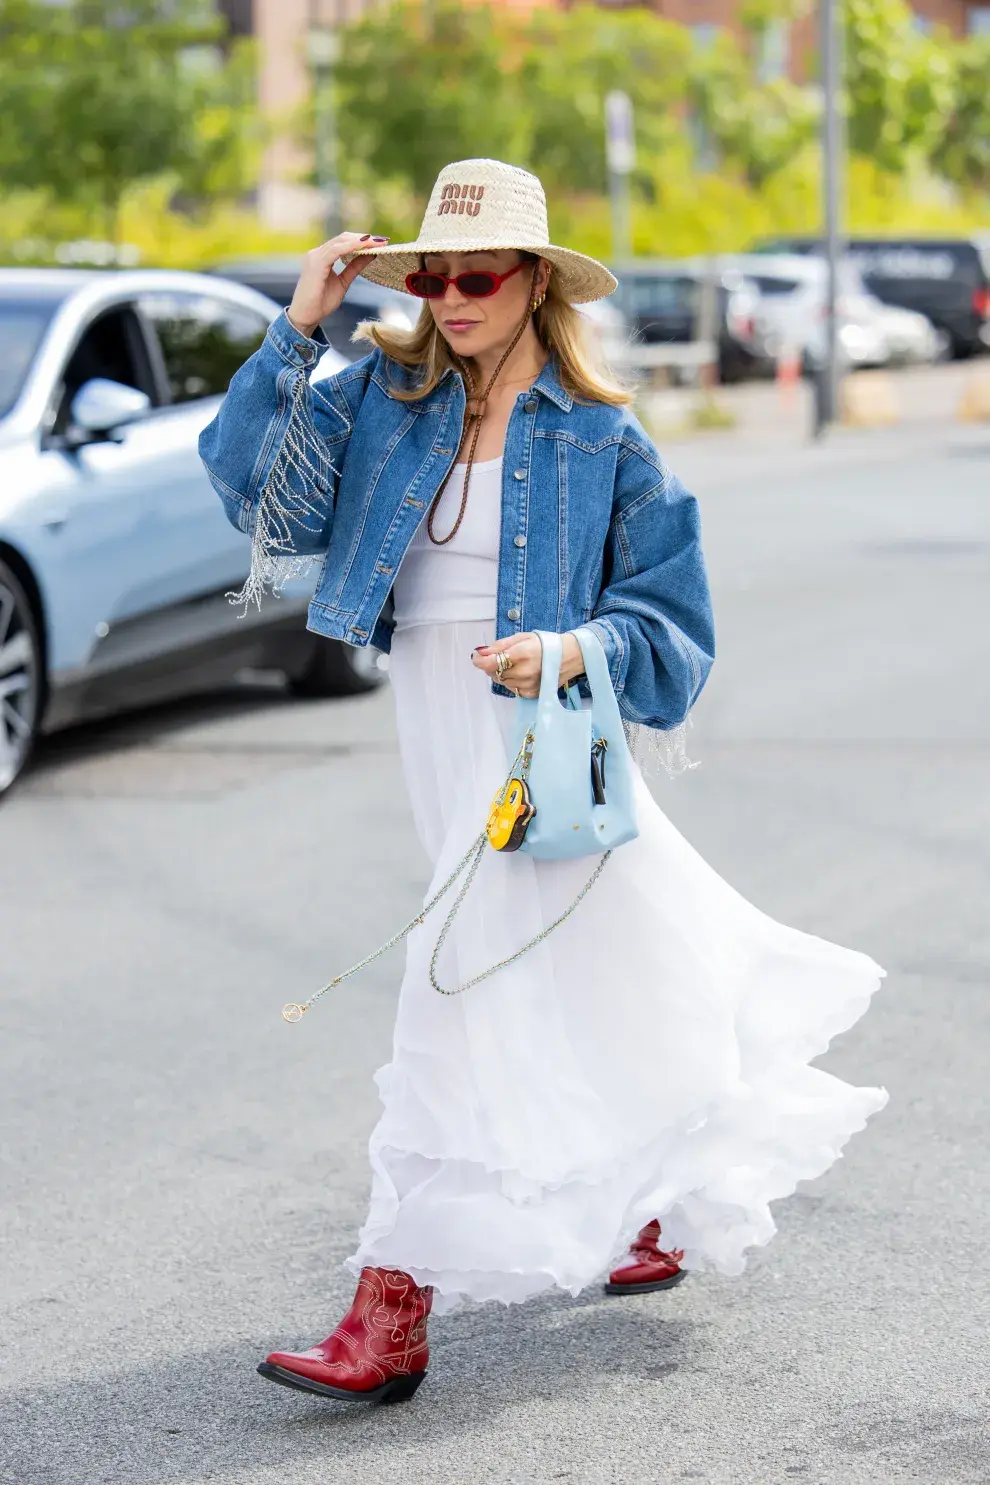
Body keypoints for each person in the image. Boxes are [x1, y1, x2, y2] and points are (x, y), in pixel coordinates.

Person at [199, 158, 887, 1406]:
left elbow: (675, 631)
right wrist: (297, 328)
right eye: (434, 278)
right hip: (437, 724)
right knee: (609, 969)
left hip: (544, 740)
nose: (451, 297)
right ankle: (654, 1193)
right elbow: (255, 493)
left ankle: (389, 1312)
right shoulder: (383, 399)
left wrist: (574, 650)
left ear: (533, 283)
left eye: (477, 276)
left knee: (447, 980)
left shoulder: (602, 433)